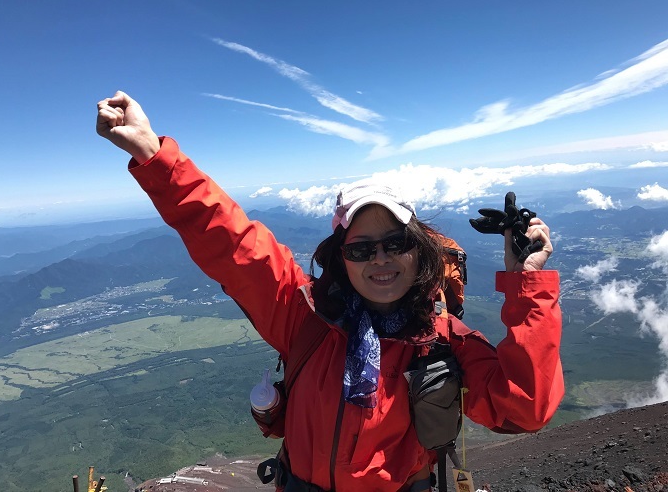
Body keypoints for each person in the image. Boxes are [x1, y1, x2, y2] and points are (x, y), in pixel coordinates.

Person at [96, 91, 564, 492]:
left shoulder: (442, 341)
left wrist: (528, 284)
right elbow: (230, 239)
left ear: (418, 252)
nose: (379, 259)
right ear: (341, 258)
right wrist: (154, 156)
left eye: (395, 243)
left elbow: (525, 406)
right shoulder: (304, 315)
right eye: (361, 249)